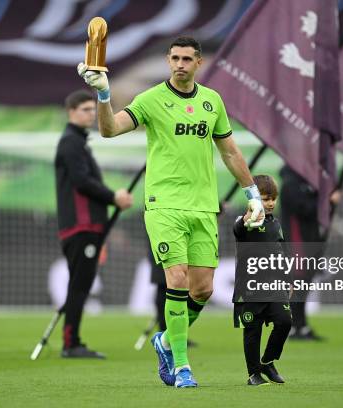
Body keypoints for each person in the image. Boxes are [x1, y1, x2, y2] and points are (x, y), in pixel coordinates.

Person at [77, 36, 265, 387]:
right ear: (168, 60)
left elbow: (229, 152)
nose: (180, 64)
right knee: (175, 280)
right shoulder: (151, 99)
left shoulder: (212, 101)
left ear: (198, 63)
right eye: (175, 58)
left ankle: (164, 340)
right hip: (164, 205)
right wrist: (103, 93)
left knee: (203, 290)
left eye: (186, 59)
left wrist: (252, 193)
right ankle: (181, 367)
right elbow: (108, 129)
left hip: (204, 207)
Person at [54, 90, 133, 358]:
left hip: (85, 227)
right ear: (71, 112)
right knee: (80, 285)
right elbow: (82, 182)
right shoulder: (70, 143)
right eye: (85, 109)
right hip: (81, 227)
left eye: (92, 109)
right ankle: (71, 343)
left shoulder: (77, 143)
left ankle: (72, 340)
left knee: (81, 284)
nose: (90, 114)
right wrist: (114, 197)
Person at [233, 175, 291, 386]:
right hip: (250, 288)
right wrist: (248, 216)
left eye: (273, 198)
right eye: (266, 199)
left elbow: (283, 254)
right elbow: (238, 228)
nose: (271, 203)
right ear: (255, 200)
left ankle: (267, 361)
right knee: (253, 330)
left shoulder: (276, 224)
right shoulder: (247, 221)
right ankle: (253, 373)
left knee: (285, 321)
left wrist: (288, 279)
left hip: (274, 286)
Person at [279, 165, 340, 340]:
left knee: (303, 285)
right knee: (298, 284)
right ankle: (294, 326)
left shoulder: (306, 183)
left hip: (308, 240)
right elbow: (304, 208)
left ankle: (301, 326)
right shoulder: (291, 184)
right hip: (296, 242)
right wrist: (328, 201)